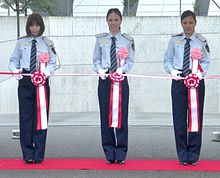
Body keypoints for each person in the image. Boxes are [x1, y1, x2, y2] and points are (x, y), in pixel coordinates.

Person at [8, 13, 57, 164]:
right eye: (31, 25)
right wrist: (14, 70)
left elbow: (53, 61)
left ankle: (39, 153)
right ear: (28, 26)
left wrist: (48, 71)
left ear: (41, 26)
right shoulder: (21, 42)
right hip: (26, 81)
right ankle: (28, 153)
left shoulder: (47, 43)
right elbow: (13, 60)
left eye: (37, 25)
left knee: (41, 118)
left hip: (42, 81)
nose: (34, 28)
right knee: (26, 118)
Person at [164, 10, 210, 166]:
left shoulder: (201, 41)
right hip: (179, 82)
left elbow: (206, 62)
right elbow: (167, 60)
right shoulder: (174, 41)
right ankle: (183, 154)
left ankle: (194, 154)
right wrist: (172, 71)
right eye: (185, 22)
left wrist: (199, 73)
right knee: (179, 119)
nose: (188, 25)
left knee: (196, 120)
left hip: (196, 82)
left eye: (190, 22)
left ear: (195, 23)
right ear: (181, 23)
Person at [93, 8, 134, 164]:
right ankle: (109, 151)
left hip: (121, 80)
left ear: (121, 21)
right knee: (105, 116)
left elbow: (130, 61)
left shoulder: (127, 40)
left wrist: (121, 69)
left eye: (116, 19)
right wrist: (100, 70)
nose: (113, 22)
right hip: (105, 80)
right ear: (107, 21)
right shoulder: (100, 40)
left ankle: (121, 151)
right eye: (110, 20)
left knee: (121, 117)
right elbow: (96, 60)